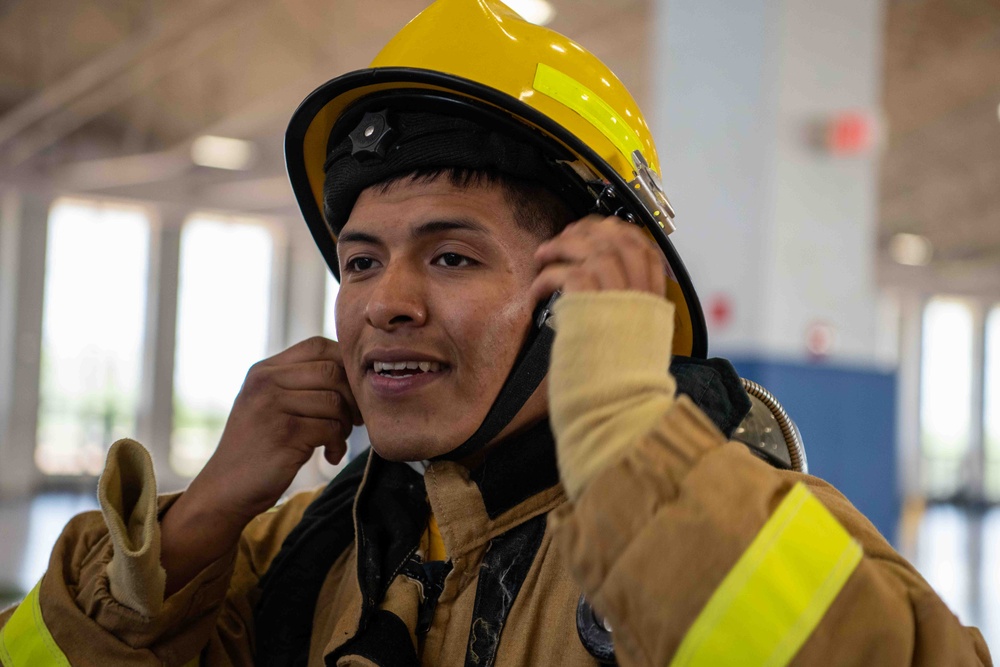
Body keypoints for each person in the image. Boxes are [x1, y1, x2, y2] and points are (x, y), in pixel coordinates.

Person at [0, 0, 992, 665]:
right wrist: (205, 513)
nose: (383, 299)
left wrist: (624, 427)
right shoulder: (303, 550)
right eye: (358, 260)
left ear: (576, 296)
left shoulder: (762, 533)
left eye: (450, 256)